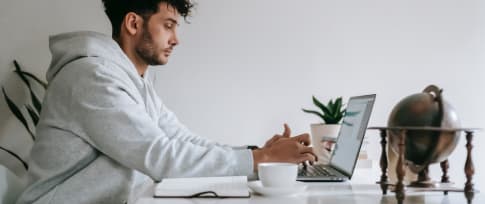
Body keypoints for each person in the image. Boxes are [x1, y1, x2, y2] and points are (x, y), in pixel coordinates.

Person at [16, 0, 315, 203]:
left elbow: (181, 140)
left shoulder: (132, 81)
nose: (176, 39)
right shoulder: (92, 77)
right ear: (133, 23)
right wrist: (260, 160)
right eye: (168, 25)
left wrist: (259, 154)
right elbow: (160, 156)